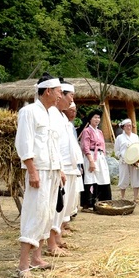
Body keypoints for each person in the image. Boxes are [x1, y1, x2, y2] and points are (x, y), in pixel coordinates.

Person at [14, 73, 64, 278]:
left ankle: (37, 258)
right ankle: (22, 266)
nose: (61, 96)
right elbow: (24, 143)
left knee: (47, 213)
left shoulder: (52, 114)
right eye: (59, 92)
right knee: (35, 212)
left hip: (52, 170)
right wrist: (32, 171)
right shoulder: (29, 112)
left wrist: (59, 169)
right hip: (39, 170)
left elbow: (54, 145)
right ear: (48, 91)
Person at [46, 80, 77, 258]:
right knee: (55, 206)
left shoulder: (62, 117)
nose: (72, 100)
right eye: (70, 95)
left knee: (61, 206)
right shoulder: (51, 114)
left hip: (65, 166)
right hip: (57, 167)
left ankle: (56, 239)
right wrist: (60, 168)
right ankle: (51, 244)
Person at [79, 110, 112, 211]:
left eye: (98, 117)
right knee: (90, 179)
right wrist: (91, 161)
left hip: (100, 156)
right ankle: (87, 204)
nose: (97, 119)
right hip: (91, 156)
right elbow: (85, 147)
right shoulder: (86, 131)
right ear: (90, 119)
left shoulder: (100, 132)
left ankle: (102, 202)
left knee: (103, 178)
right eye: (95, 117)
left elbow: (103, 146)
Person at [61, 102, 83, 233]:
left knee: (72, 196)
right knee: (64, 196)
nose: (74, 113)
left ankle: (66, 223)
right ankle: (60, 227)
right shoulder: (61, 123)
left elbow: (74, 147)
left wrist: (78, 165)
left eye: (75, 111)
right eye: (71, 110)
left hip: (73, 165)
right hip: (64, 166)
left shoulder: (71, 126)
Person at [114, 118, 139, 203]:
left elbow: (138, 148)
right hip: (124, 160)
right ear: (123, 127)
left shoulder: (135, 137)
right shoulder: (119, 138)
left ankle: (136, 197)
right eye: (127, 126)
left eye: (130, 125)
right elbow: (116, 151)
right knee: (123, 177)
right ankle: (122, 197)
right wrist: (121, 157)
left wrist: (137, 159)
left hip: (134, 160)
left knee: (136, 177)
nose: (129, 127)